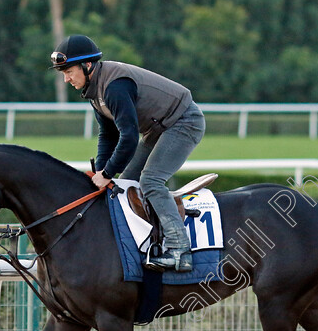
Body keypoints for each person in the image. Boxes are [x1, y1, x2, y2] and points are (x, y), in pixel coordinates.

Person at [50, 34, 205, 272]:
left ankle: (179, 250)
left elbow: (130, 137)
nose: (66, 79)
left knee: (151, 180)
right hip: (159, 128)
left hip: (184, 121)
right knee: (126, 184)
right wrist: (101, 171)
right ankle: (144, 243)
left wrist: (108, 171)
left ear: (87, 65)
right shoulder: (95, 89)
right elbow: (108, 135)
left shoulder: (114, 87)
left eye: (68, 71)